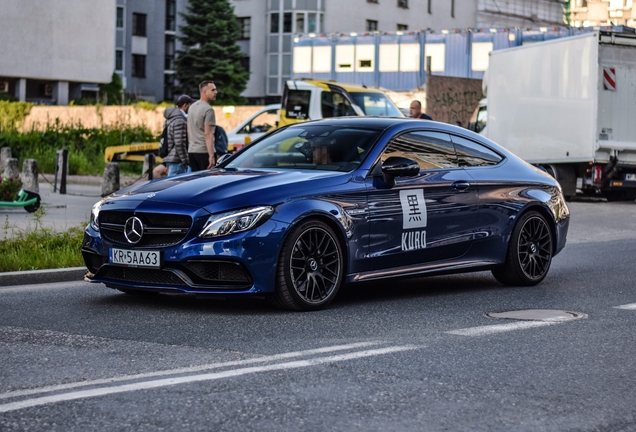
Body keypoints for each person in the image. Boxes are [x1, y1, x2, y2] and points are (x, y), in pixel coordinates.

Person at [187, 80, 218, 171]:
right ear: (204, 92)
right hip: (204, 152)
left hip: (192, 151)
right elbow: (208, 134)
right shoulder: (208, 110)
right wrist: (211, 156)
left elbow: (189, 130)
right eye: (213, 90)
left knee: (196, 182)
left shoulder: (192, 107)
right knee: (208, 182)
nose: (216, 92)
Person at [162, 94, 193, 177]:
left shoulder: (170, 119)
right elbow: (180, 143)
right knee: (175, 186)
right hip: (177, 160)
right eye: (190, 106)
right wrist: (186, 160)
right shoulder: (180, 121)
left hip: (171, 158)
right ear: (185, 105)